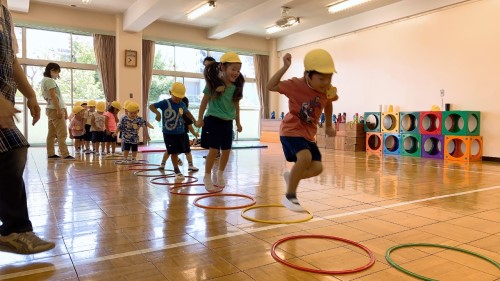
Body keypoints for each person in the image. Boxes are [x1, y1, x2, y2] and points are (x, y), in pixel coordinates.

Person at [0, 0, 56, 254]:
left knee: (13, 151)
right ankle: (15, 229)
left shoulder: (5, 13)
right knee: (13, 149)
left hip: (4, 102)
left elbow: (11, 62)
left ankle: (15, 229)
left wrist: (31, 95)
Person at [267, 49, 338, 212]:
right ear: (307, 74)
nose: (326, 82)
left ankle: (291, 178)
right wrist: (285, 67)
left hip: (308, 135)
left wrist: (328, 125)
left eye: (329, 78)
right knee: (304, 157)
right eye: (321, 78)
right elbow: (270, 85)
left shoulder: (327, 90)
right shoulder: (295, 85)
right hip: (291, 130)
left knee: (317, 168)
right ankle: (290, 196)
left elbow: (328, 103)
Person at [196, 52, 244, 191]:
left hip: (227, 121)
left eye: (238, 70)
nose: (236, 73)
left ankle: (220, 173)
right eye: (233, 69)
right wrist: (199, 118)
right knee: (214, 150)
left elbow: (236, 106)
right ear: (223, 67)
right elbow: (204, 102)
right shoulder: (213, 84)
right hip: (213, 119)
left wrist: (238, 122)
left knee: (227, 150)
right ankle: (206, 176)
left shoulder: (235, 87)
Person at [150, 82, 196, 180]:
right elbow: (152, 106)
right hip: (168, 133)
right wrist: (157, 113)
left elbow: (188, 113)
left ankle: (176, 159)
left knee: (179, 150)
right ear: (170, 92)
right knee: (173, 152)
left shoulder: (182, 104)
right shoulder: (165, 103)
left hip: (180, 133)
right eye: (176, 96)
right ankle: (176, 170)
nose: (178, 99)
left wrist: (195, 121)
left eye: (180, 97)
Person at [41, 62, 75, 160]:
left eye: (58, 72)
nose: (57, 73)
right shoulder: (50, 81)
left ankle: (51, 153)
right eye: (55, 71)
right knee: (62, 133)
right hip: (55, 109)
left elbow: (48, 97)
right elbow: (53, 96)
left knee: (51, 133)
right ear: (50, 70)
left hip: (50, 109)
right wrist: (59, 110)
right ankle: (65, 154)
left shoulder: (44, 80)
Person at [179, 97, 199, 172]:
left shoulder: (177, 112)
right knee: (187, 151)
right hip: (183, 134)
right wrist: (195, 134)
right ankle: (190, 165)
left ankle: (163, 164)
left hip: (174, 134)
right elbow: (190, 127)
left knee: (172, 150)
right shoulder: (186, 115)